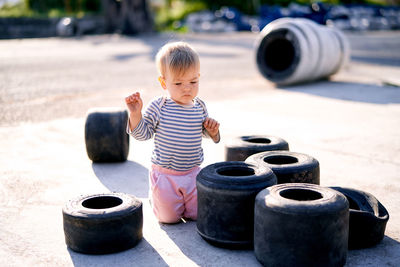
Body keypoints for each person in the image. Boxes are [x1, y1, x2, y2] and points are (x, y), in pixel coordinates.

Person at [125, 41, 220, 224]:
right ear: (163, 82)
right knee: (168, 219)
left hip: (193, 173)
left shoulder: (199, 107)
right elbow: (143, 134)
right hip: (166, 176)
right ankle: (158, 198)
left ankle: (183, 202)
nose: (187, 88)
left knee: (197, 215)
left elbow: (208, 135)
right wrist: (135, 114)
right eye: (178, 83)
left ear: (199, 77)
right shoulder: (159, 106)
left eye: (193, 81)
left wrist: (213, 132)